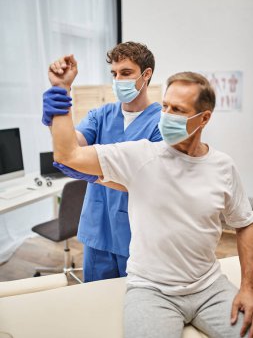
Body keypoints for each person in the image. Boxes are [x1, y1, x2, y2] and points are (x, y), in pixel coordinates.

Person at [49, 69, 253, 338]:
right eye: (165, 106)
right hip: (151, 290)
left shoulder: (223, 166)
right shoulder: (141, 156)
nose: (165, 116)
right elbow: (68, 154)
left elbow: (244, 222)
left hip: (209, 287)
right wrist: (61, 93)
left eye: (177, 110)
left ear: (204, 118)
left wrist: (247, 287)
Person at [42, 42, 162, 282]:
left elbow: (155, 182)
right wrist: (61, 96)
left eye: (126, 73)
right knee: (96, 303)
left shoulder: (161, 123)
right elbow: (70, 146)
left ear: (146, 75)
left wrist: (97, 174)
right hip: (98, 229)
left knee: (135, 306)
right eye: (114, 74)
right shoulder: (101, 115)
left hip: (139, 235)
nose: (118, 80)